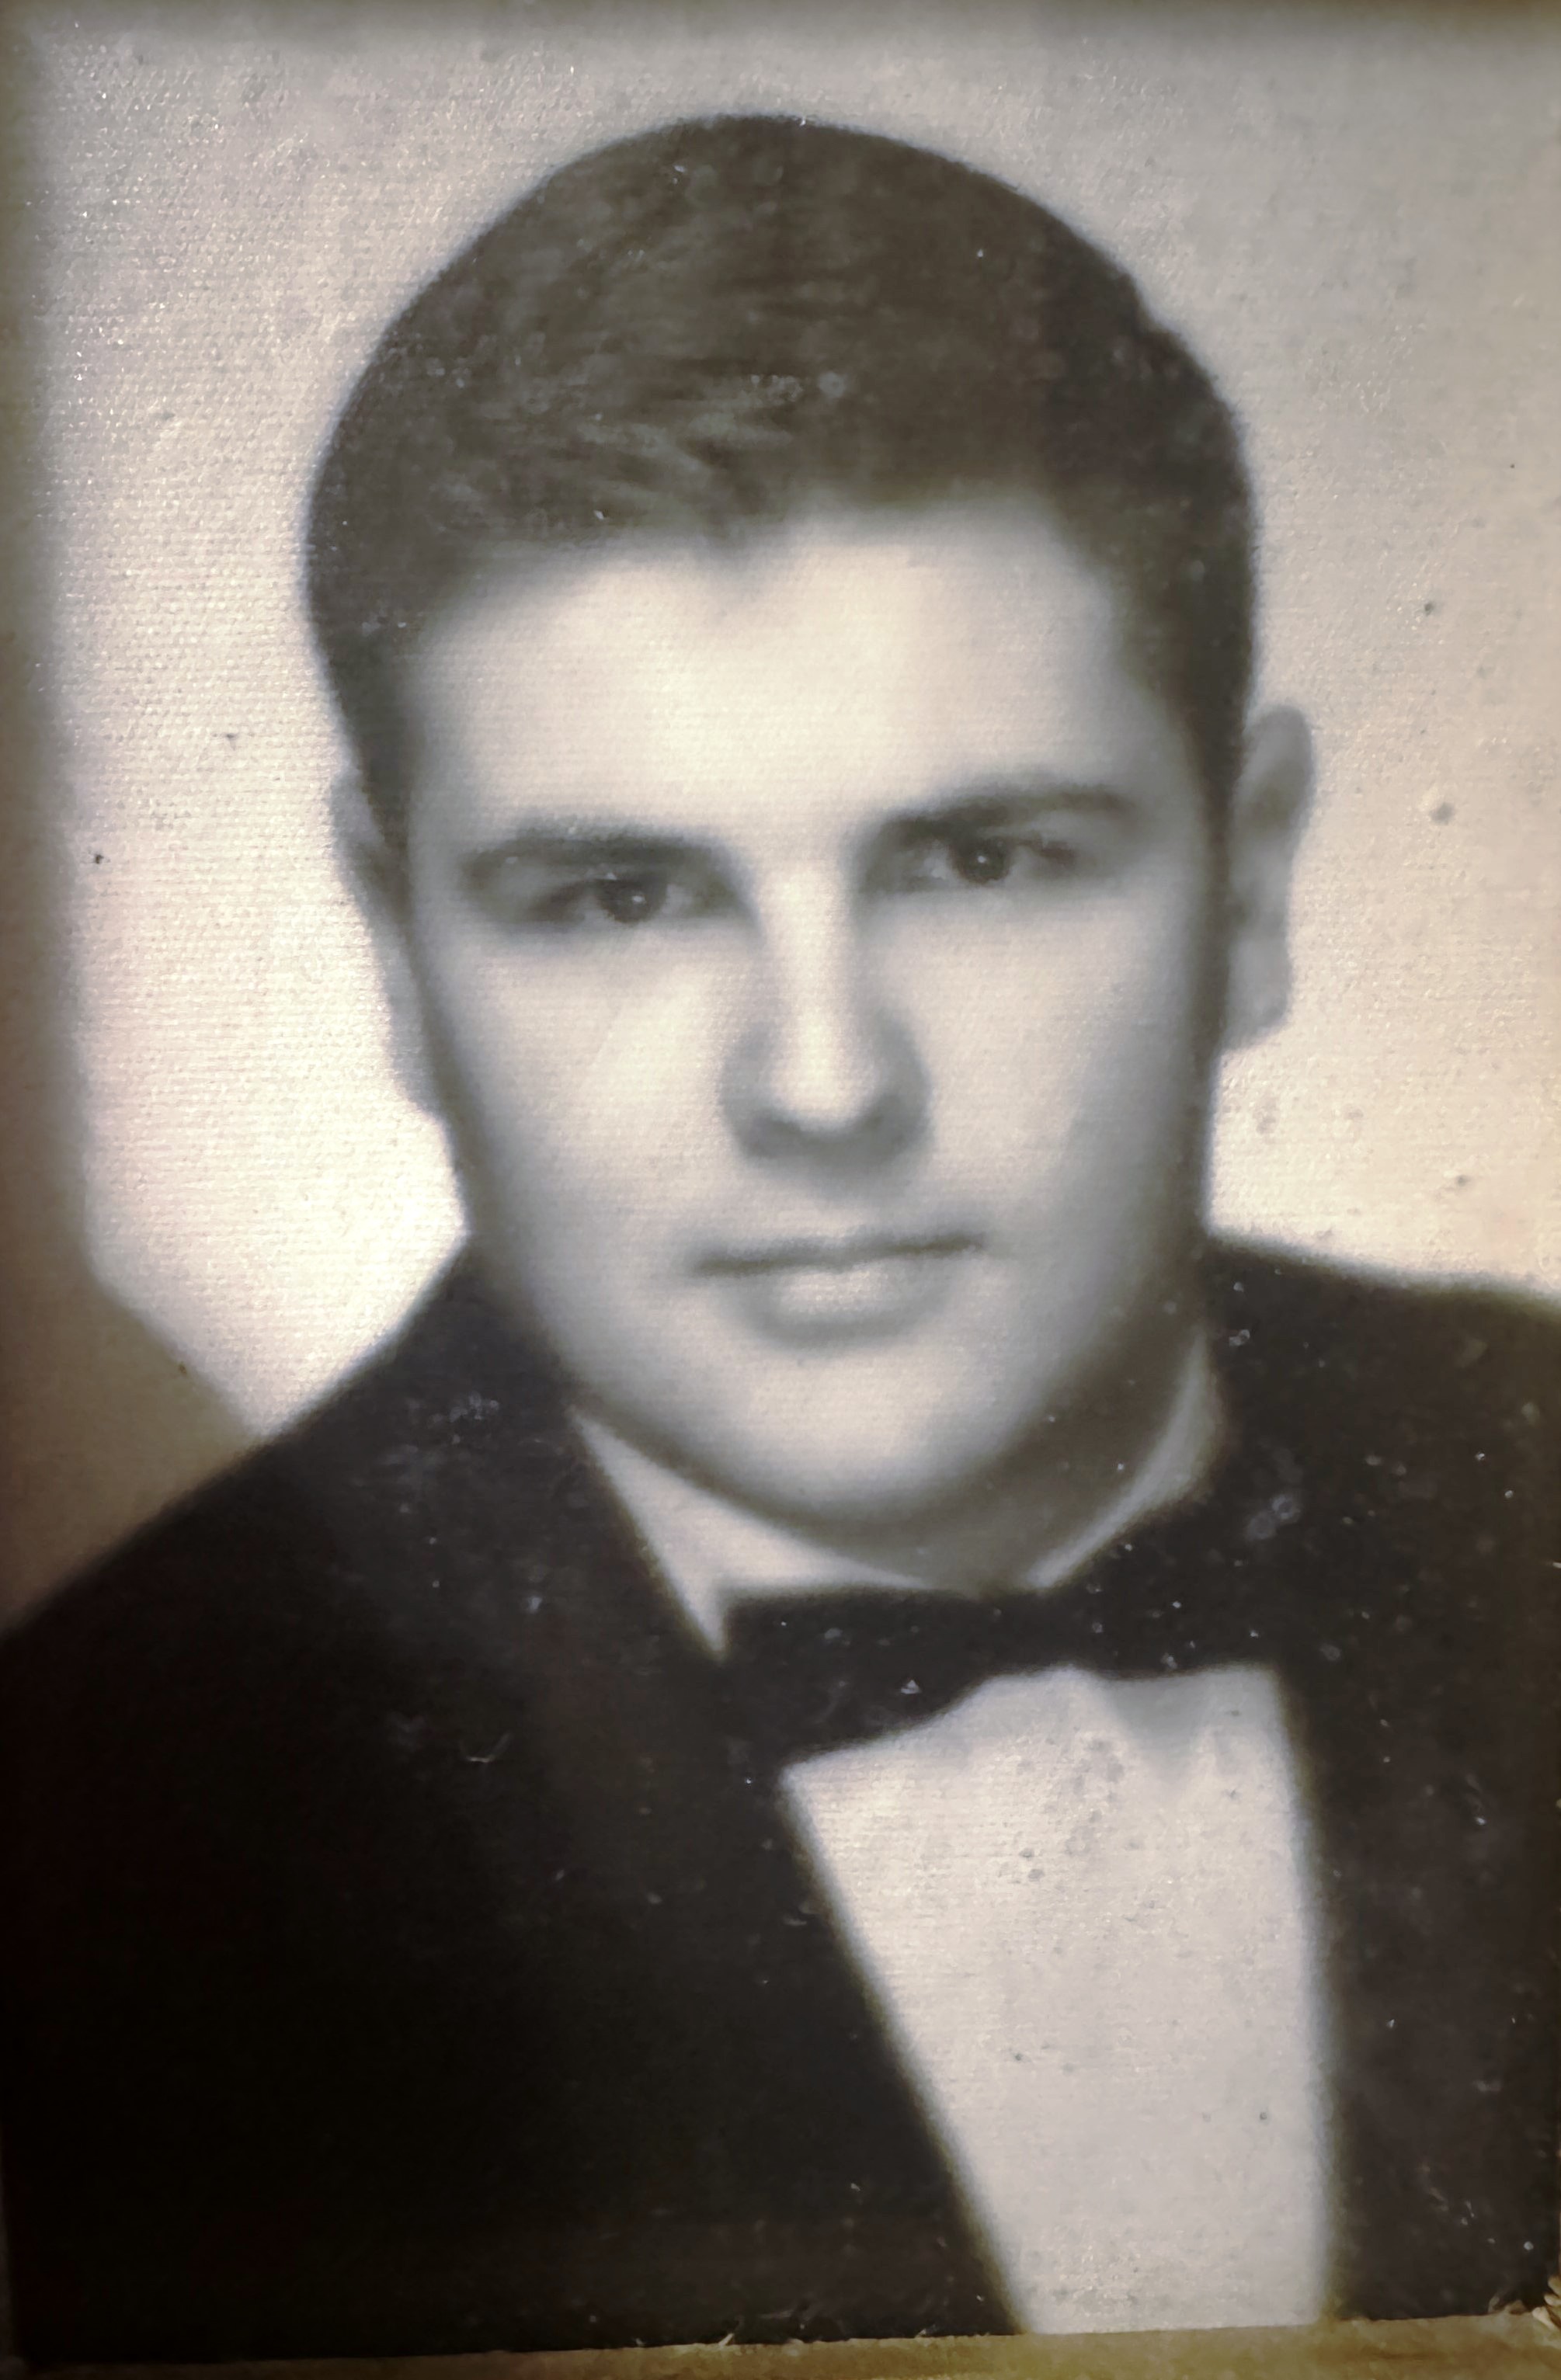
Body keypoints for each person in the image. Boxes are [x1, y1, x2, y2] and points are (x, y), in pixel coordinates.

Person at [0, 113, 1556, 2364]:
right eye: (621, 895)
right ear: (395, 947)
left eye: (982, 860)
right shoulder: (82, 1817)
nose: (823, 1087)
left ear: (1250, 880)